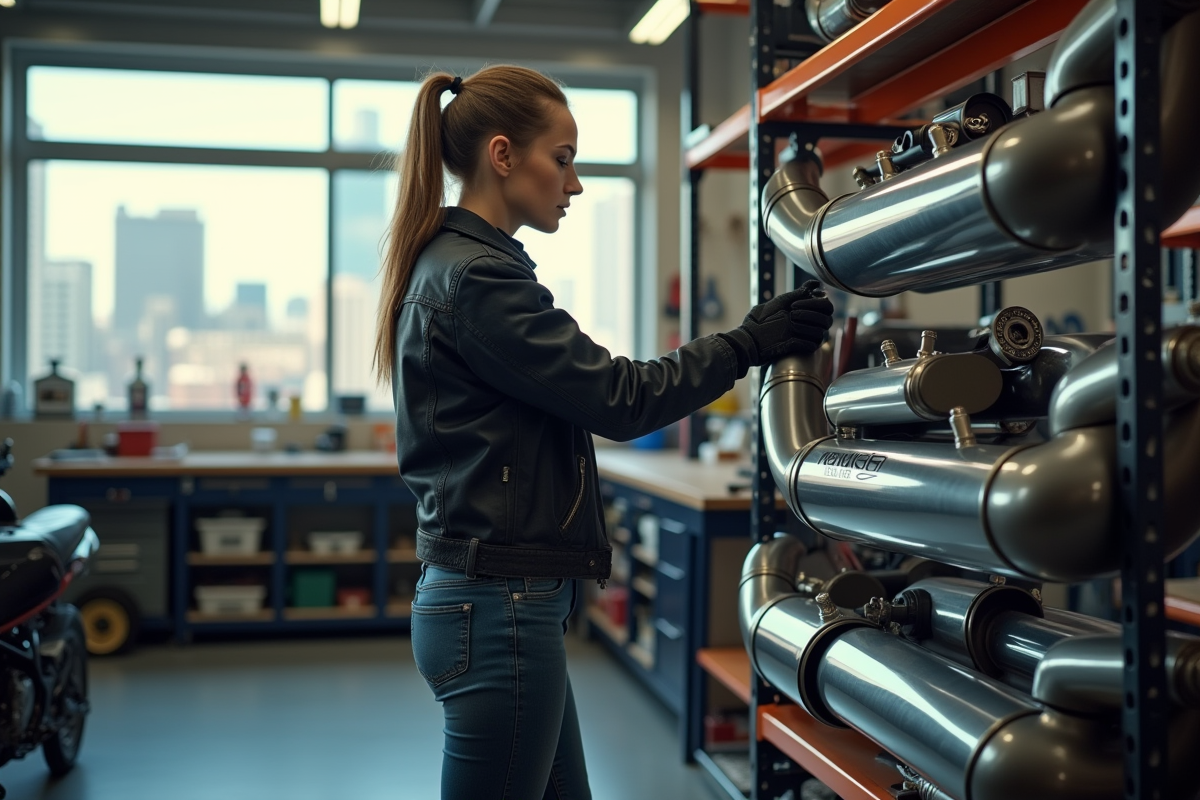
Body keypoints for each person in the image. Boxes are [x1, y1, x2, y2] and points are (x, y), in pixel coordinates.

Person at [374, 64, 834, 800]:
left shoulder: (459, 267)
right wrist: (746, 345)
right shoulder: (479, 280)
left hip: (499, 602)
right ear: (502, 155)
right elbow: (619, 397)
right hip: (500, 608)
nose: (575, 183)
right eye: (562, 159)